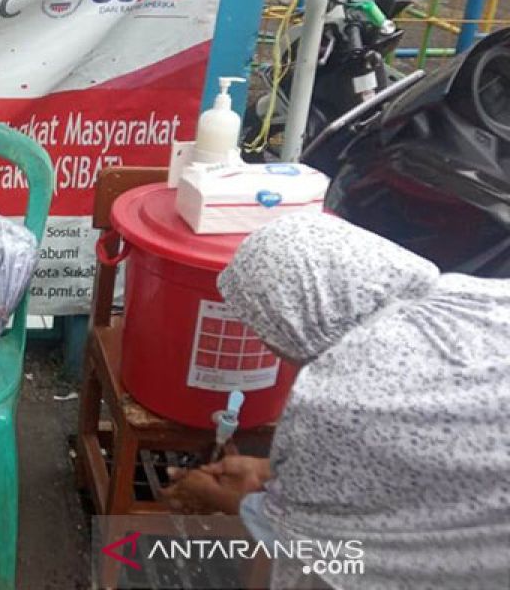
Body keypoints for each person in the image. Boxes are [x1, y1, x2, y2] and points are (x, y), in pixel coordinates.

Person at [163, 214, 510, 589]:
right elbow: (434, 465)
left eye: (261, 329)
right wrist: (272, 472)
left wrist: (215, 496)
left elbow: (310, 543)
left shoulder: (339, 396)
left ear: (290, 321)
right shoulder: (471, 294)